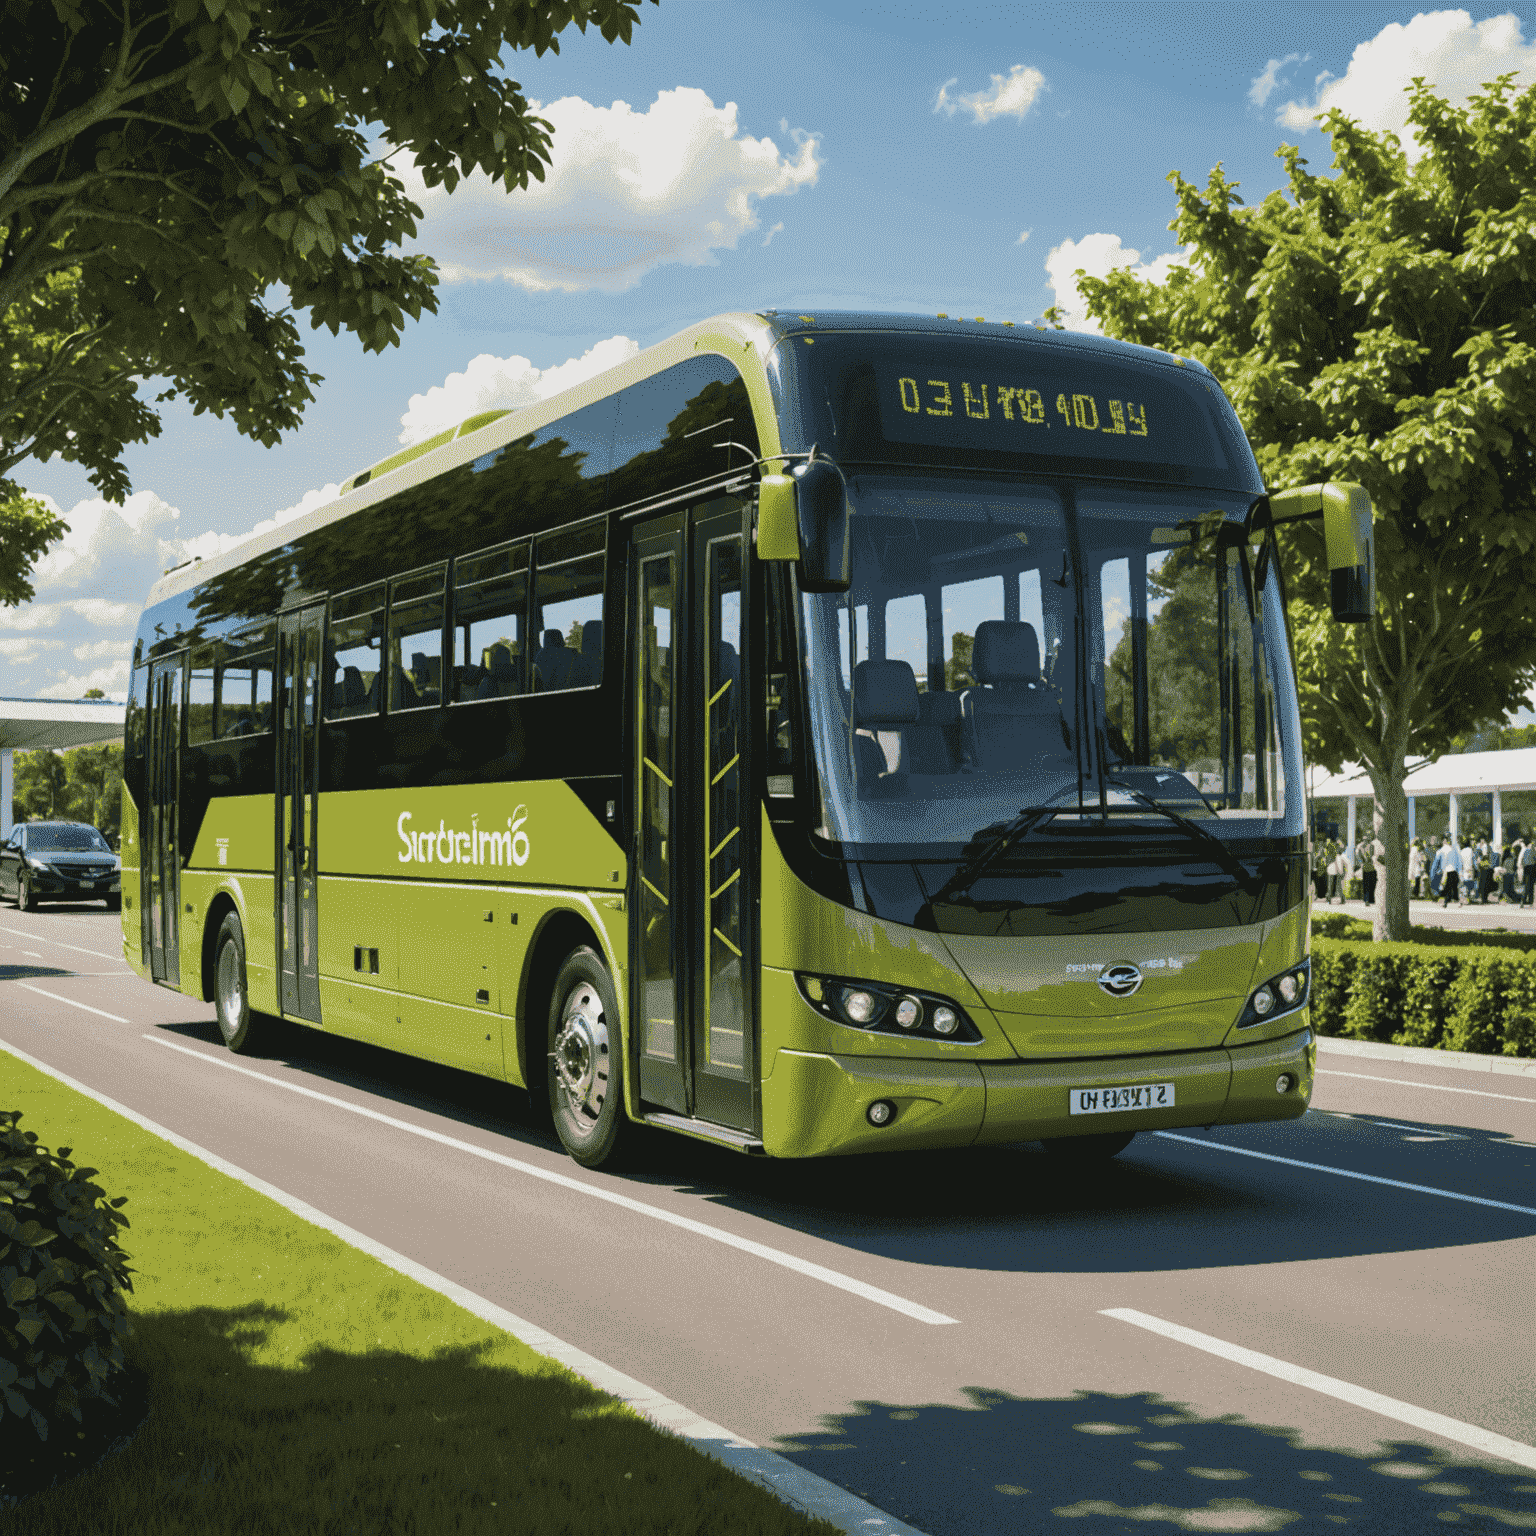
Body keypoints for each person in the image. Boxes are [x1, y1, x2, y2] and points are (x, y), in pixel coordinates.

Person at [1357, 837, 1378, 906]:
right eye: (1365, 840)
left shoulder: (1372, 846)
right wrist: (1361, 863)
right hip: (1366, 868)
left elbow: (1374, 855)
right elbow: (1359, 857)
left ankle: (1371, 899)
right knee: (1366, 884)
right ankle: (1367, 899)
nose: (1366, 842)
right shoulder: (1361, 847)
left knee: (1372, 884)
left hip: (1372, 867)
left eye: (1367, 840)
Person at [1459, 838, 1476, 905]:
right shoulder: (1471, 851)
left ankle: (1465, 899)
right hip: (1470, 869)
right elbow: (1473, 860)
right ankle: (1470, 899)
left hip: (1464, 870)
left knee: (1465, 885)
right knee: (1471, 885)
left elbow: (1460, 862)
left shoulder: (1462, 851)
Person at [1523, 835, 1536, 907]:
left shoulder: (1526, 849)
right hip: (1531, 867)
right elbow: (1534, 858)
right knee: (1531, 885)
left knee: (1526, 884)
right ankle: (1530, 900)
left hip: (1526, 868)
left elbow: (1523, 860)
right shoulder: (1532, 848)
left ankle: (1524, 899)